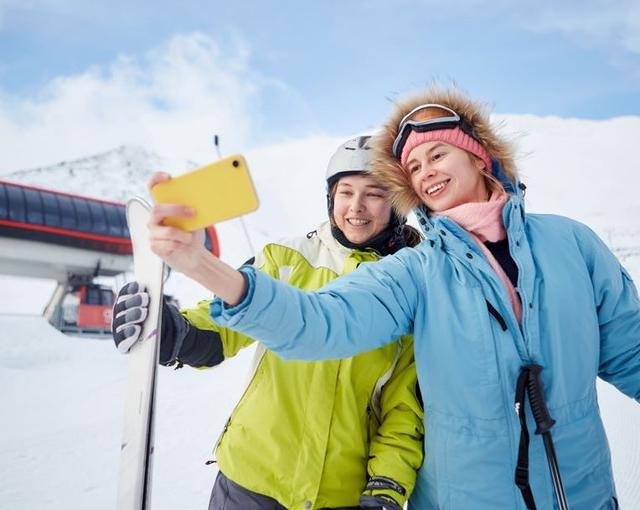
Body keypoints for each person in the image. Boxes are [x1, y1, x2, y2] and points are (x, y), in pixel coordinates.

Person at [144, 86, 640, 509]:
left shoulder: (571, 244)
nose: (425, 170)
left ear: (479, 154)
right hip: (299, 482)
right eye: (413, 166)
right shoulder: (410, 273)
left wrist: (387, 479)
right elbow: (318, 323)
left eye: (437, 154)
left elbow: (631, 352)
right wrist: (198, 269)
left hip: (581, 492)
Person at [113, 136, 424, 510]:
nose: (355, 207)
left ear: (396, 205)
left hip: (337, 494)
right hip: (249, 481)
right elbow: (222, 324)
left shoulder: (409, 289)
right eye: (345, 192)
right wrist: (173, 332)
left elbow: (405, 409)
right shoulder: (286, 258)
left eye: (373, 193)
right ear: (331, 198)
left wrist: (386, 488)